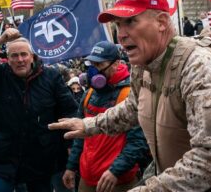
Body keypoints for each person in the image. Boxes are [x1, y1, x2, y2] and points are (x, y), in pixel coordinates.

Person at [50, 0, 211, 191]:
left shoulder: (198, 67)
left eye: (131, 21)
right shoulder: (142, 64)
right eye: (118, 25)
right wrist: (89, 126)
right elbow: (133, 108)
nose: (121, 34)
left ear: (161, 22)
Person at [0, 28, 78, 192]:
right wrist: (1, 40)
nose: (20, 59)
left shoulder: (51, 77)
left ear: (32, 57)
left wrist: (71, 145)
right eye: (14, 55)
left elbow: (69, 111)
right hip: (5, 157)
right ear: (8, 59)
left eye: (24, 54)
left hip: (41, 157)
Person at [63, 41, 148, 192]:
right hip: (87, 178)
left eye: (100, 65)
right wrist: (71, 166)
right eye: (92, 64)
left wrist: (115, 171)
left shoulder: (129, 94)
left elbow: (138, 142)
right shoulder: (89, 93)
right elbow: (80, 135)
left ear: (116, 64)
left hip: (117, 181)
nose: (94, 71)